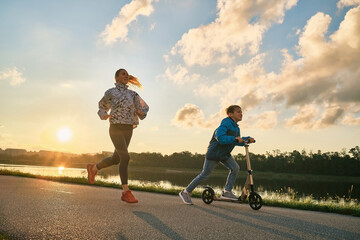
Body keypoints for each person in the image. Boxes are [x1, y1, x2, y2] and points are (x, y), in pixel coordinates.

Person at [87, 68, 149, 203]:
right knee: (125, 157)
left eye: (127, 74)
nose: (126, 76)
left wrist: (140, 112)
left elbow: (144, 108)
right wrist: (103, 114)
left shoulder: (133, 94)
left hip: (128, 128)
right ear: (117, 78)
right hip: (115, 127)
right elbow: (102, 105)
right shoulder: (111, 92)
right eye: (123, 74)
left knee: (116, 159)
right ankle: (126, 192)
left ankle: (93, 168)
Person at [179, 105, 255, 205]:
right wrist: (235, 139)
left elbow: (236, 141)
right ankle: (185, 192)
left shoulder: (236, 128)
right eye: (238, 112)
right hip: (214, 154)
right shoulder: (224, 124)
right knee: (204, 175)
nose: (241, 114)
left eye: (241, 112)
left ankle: (227, 192)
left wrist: (247, 139)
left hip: (224, 155)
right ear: (230, 114)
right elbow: (221, 138)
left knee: (235, 168)